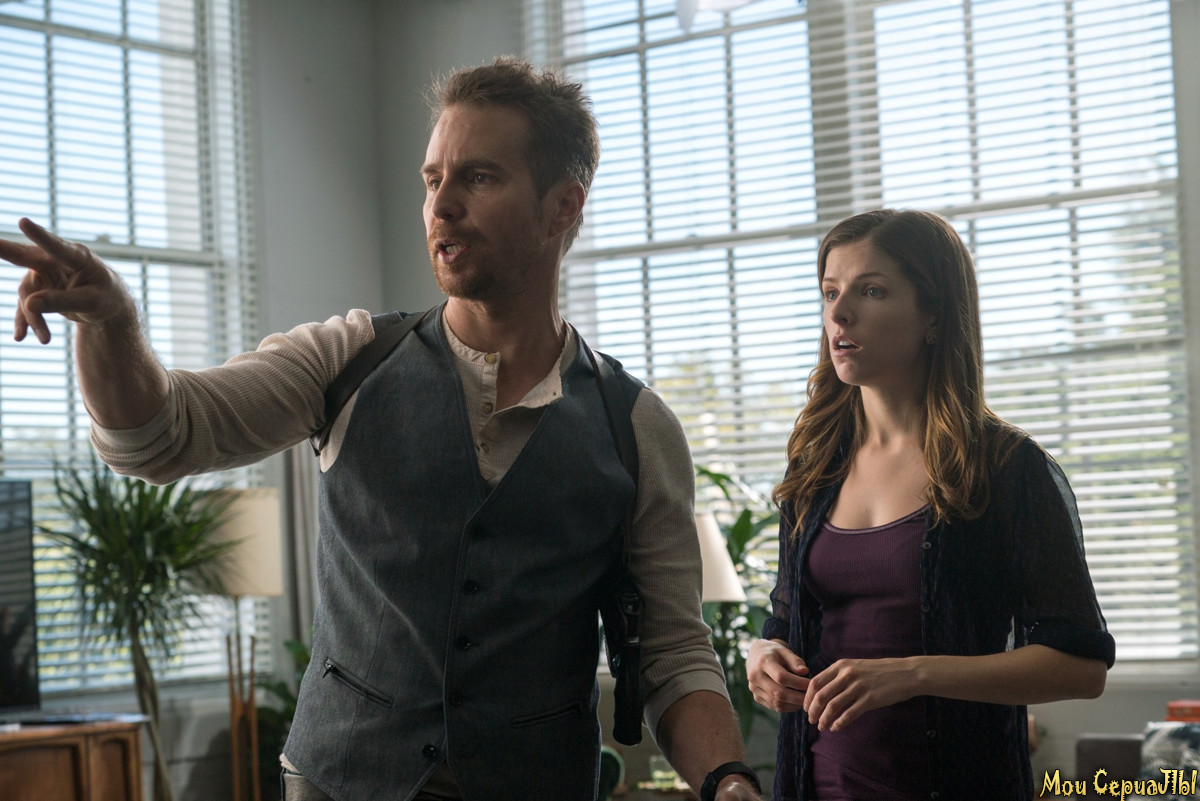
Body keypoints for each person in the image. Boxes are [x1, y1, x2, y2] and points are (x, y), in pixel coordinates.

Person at [0, 58, 762, 801]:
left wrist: (727, 778)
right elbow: (157, 436)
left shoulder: (635, 426)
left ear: (563, 206)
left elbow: (673, 650)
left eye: (478, 177)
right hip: (341, 780)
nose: (441, 205)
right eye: (432, 179)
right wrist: (112, 325)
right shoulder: (348, 358)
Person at [746, 209, 1115, 801]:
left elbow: (1082, 666)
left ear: (935, 316)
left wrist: (914, 673)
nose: (839, 314)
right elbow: (787, 623)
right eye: (831, 292)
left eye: (871, 291)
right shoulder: (814, 469)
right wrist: (763, 653)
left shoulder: (1005, 467)